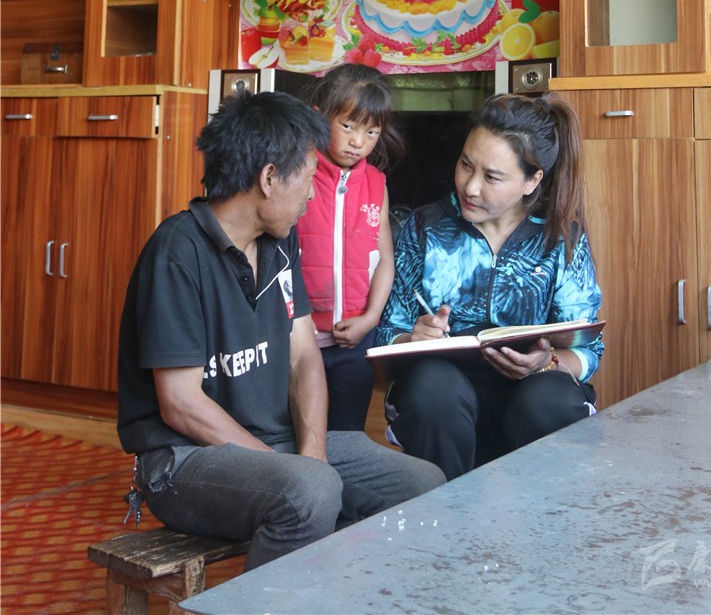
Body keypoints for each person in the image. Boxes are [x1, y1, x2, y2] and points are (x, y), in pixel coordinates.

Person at [117, 91, 444, 572]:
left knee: (422, 484)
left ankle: (343, 596)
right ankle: (266, 602)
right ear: (269, 178)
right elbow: (180, 403)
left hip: (280, 443)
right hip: (184, 460)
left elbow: (303, 357)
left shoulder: (279, 241)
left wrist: (312, 453)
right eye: (308, 178)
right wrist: (292, 469)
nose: (312, 195)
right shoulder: (177, 253)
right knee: (309, 490)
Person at [374, 93, 603, 481]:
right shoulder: (425, 226)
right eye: (466, 164)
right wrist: (411, 339)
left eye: (492, 177)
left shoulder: (561, 238)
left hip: (528, 393)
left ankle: (541, 515)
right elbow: (388, 330)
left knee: (550, 400)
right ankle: (444, 512)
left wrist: (547, 362)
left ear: (532, 181)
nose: (470, 187)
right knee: (432, 389)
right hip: (446, 397)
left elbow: (589, 348)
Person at [298, 65, 401, 431]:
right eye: (348, 126)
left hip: (355, 340)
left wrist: (371, 318)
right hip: (298, 339)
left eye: (372, 132)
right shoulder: (299, 174)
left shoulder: (376, 183)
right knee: (297, 432)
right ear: (318, 118)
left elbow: (385, 259)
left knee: (347, 433)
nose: (359, 141)